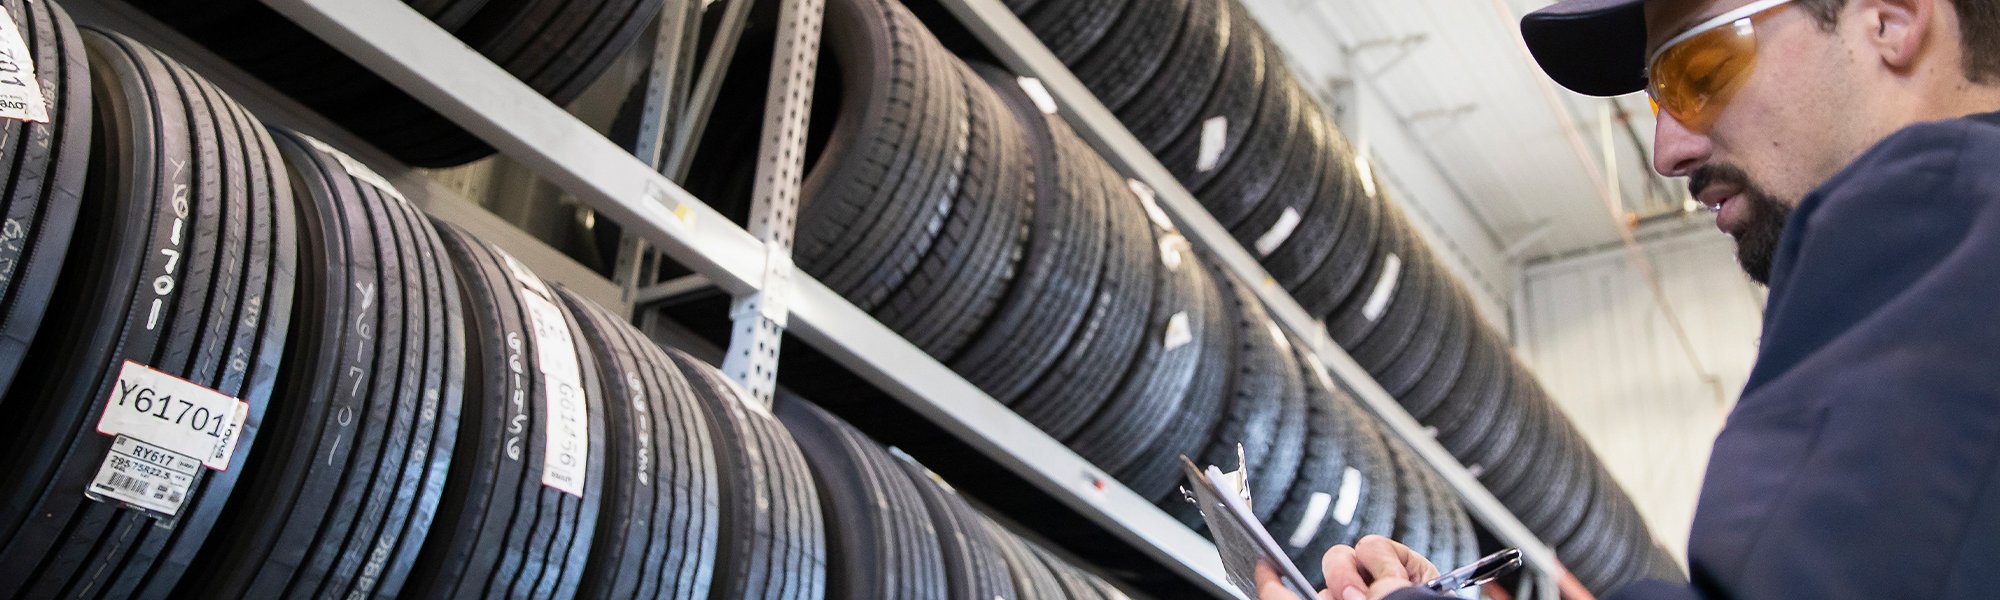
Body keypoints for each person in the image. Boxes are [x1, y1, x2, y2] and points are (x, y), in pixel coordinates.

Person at [1257, 0, 2000, 598]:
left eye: (1696, 69)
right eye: (1655, 99)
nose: (1666, 151)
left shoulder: (1944, 213)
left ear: (1891, 20)